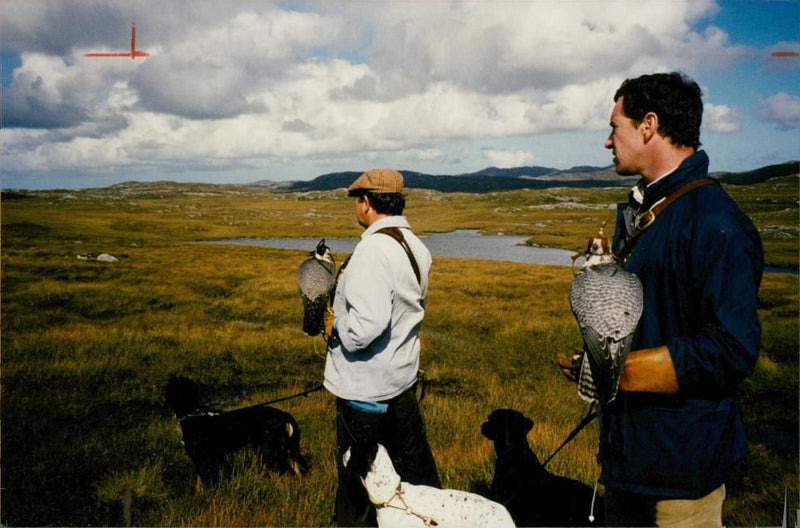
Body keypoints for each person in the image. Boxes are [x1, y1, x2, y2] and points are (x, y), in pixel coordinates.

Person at [564, 72, 763, 527]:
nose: (607, 141)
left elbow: (733, 348)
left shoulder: (716, 221)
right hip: (629, 461)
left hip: (680, 476)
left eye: (615, 127)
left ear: (648, 125)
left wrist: (625, 372)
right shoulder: (643, 211)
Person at [323, 168, 441, 526]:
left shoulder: (372, 251)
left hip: (364, 392)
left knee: (358, 490)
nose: (356, 208)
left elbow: (365, 329)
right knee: (416, 484)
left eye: (357, 201)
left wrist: (336, 325)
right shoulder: (415, 246)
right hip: (401, 385)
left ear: (367, 203)